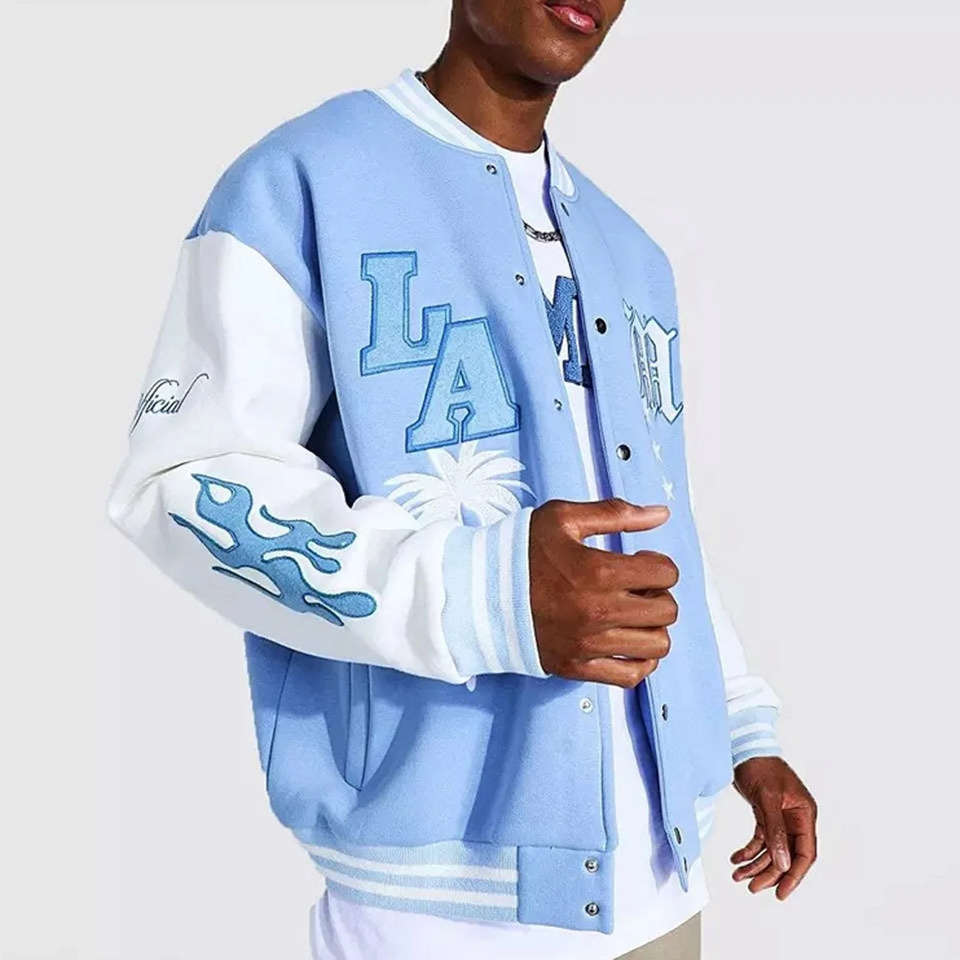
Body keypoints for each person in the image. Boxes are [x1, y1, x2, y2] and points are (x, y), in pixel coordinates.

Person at [107, 1, 818, 956]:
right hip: (435, 911)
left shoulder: (630, 254)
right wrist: (488, 594)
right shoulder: (302, 184)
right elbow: (185, 489)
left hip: (666, 885)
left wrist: (741, 731)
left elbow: (658, 532)